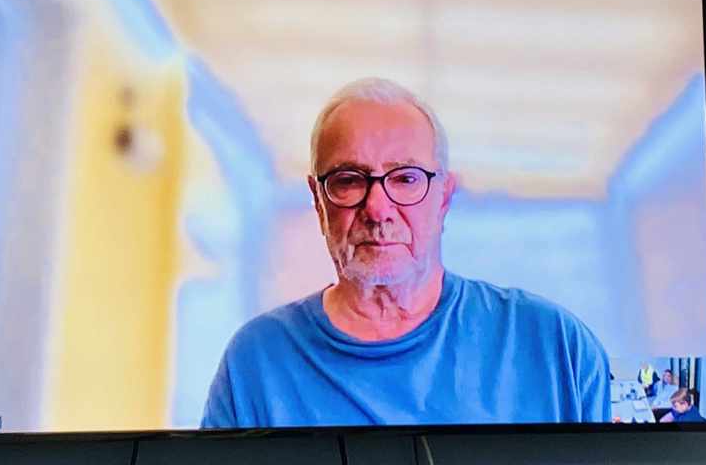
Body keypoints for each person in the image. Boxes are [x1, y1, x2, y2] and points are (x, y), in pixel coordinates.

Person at [201, 78, 611, 428]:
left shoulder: (555, 348)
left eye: (406, 178)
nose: (378, 208)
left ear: (444, 196)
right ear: (318, 200)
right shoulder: (256, 363)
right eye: (348, 180)